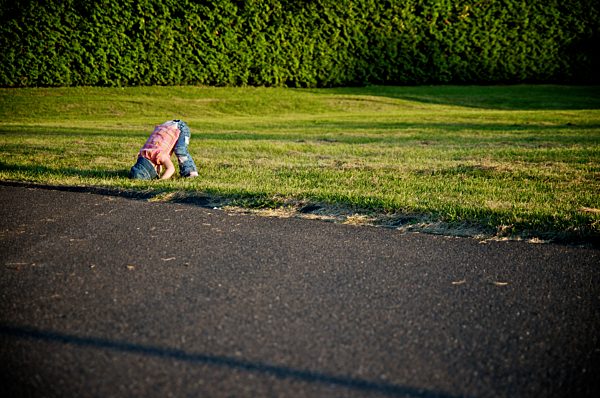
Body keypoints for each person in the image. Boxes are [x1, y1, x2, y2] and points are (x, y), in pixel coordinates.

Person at [129, 120, 199, 180]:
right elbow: (156, 161)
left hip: (180, 128)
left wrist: (162, 180)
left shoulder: (160, 155)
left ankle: (191, 172)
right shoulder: (143, 153)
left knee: (180, 150)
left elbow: (171, 169)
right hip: (166, 126)